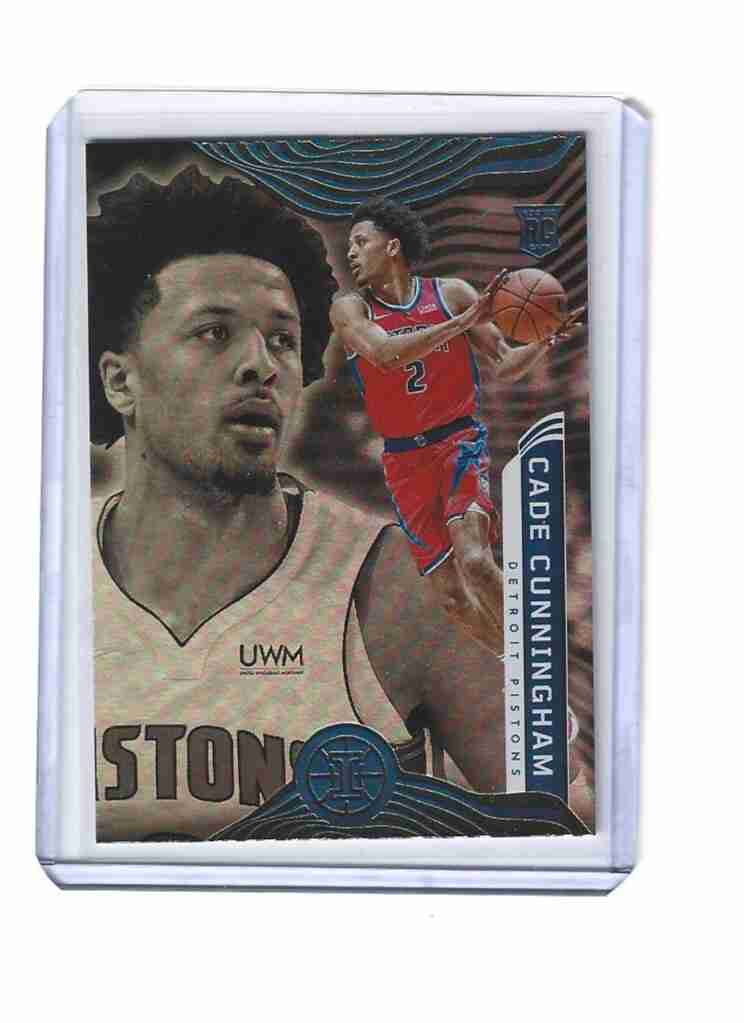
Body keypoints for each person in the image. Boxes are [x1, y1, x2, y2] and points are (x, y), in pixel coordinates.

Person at [88, 167, 511, 843]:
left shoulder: (390, 585)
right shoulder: (47, 581)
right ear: (120, 381)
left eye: (283, 340)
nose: (261, 364)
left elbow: (564, 817)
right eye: (214, 333)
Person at [326, 198, 561, 655]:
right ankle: (516, 662)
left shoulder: (451, 294)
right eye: (349, 244)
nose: (351, 252)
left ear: (392, 246)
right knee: (452, 598)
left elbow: (505, 363)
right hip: (403, 460)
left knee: (475, 560)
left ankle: (540, 658)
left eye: (361, 242)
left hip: (457, 443)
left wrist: (543, 340)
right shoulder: (350, 309)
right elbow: (384, 355)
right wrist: (462, 324)